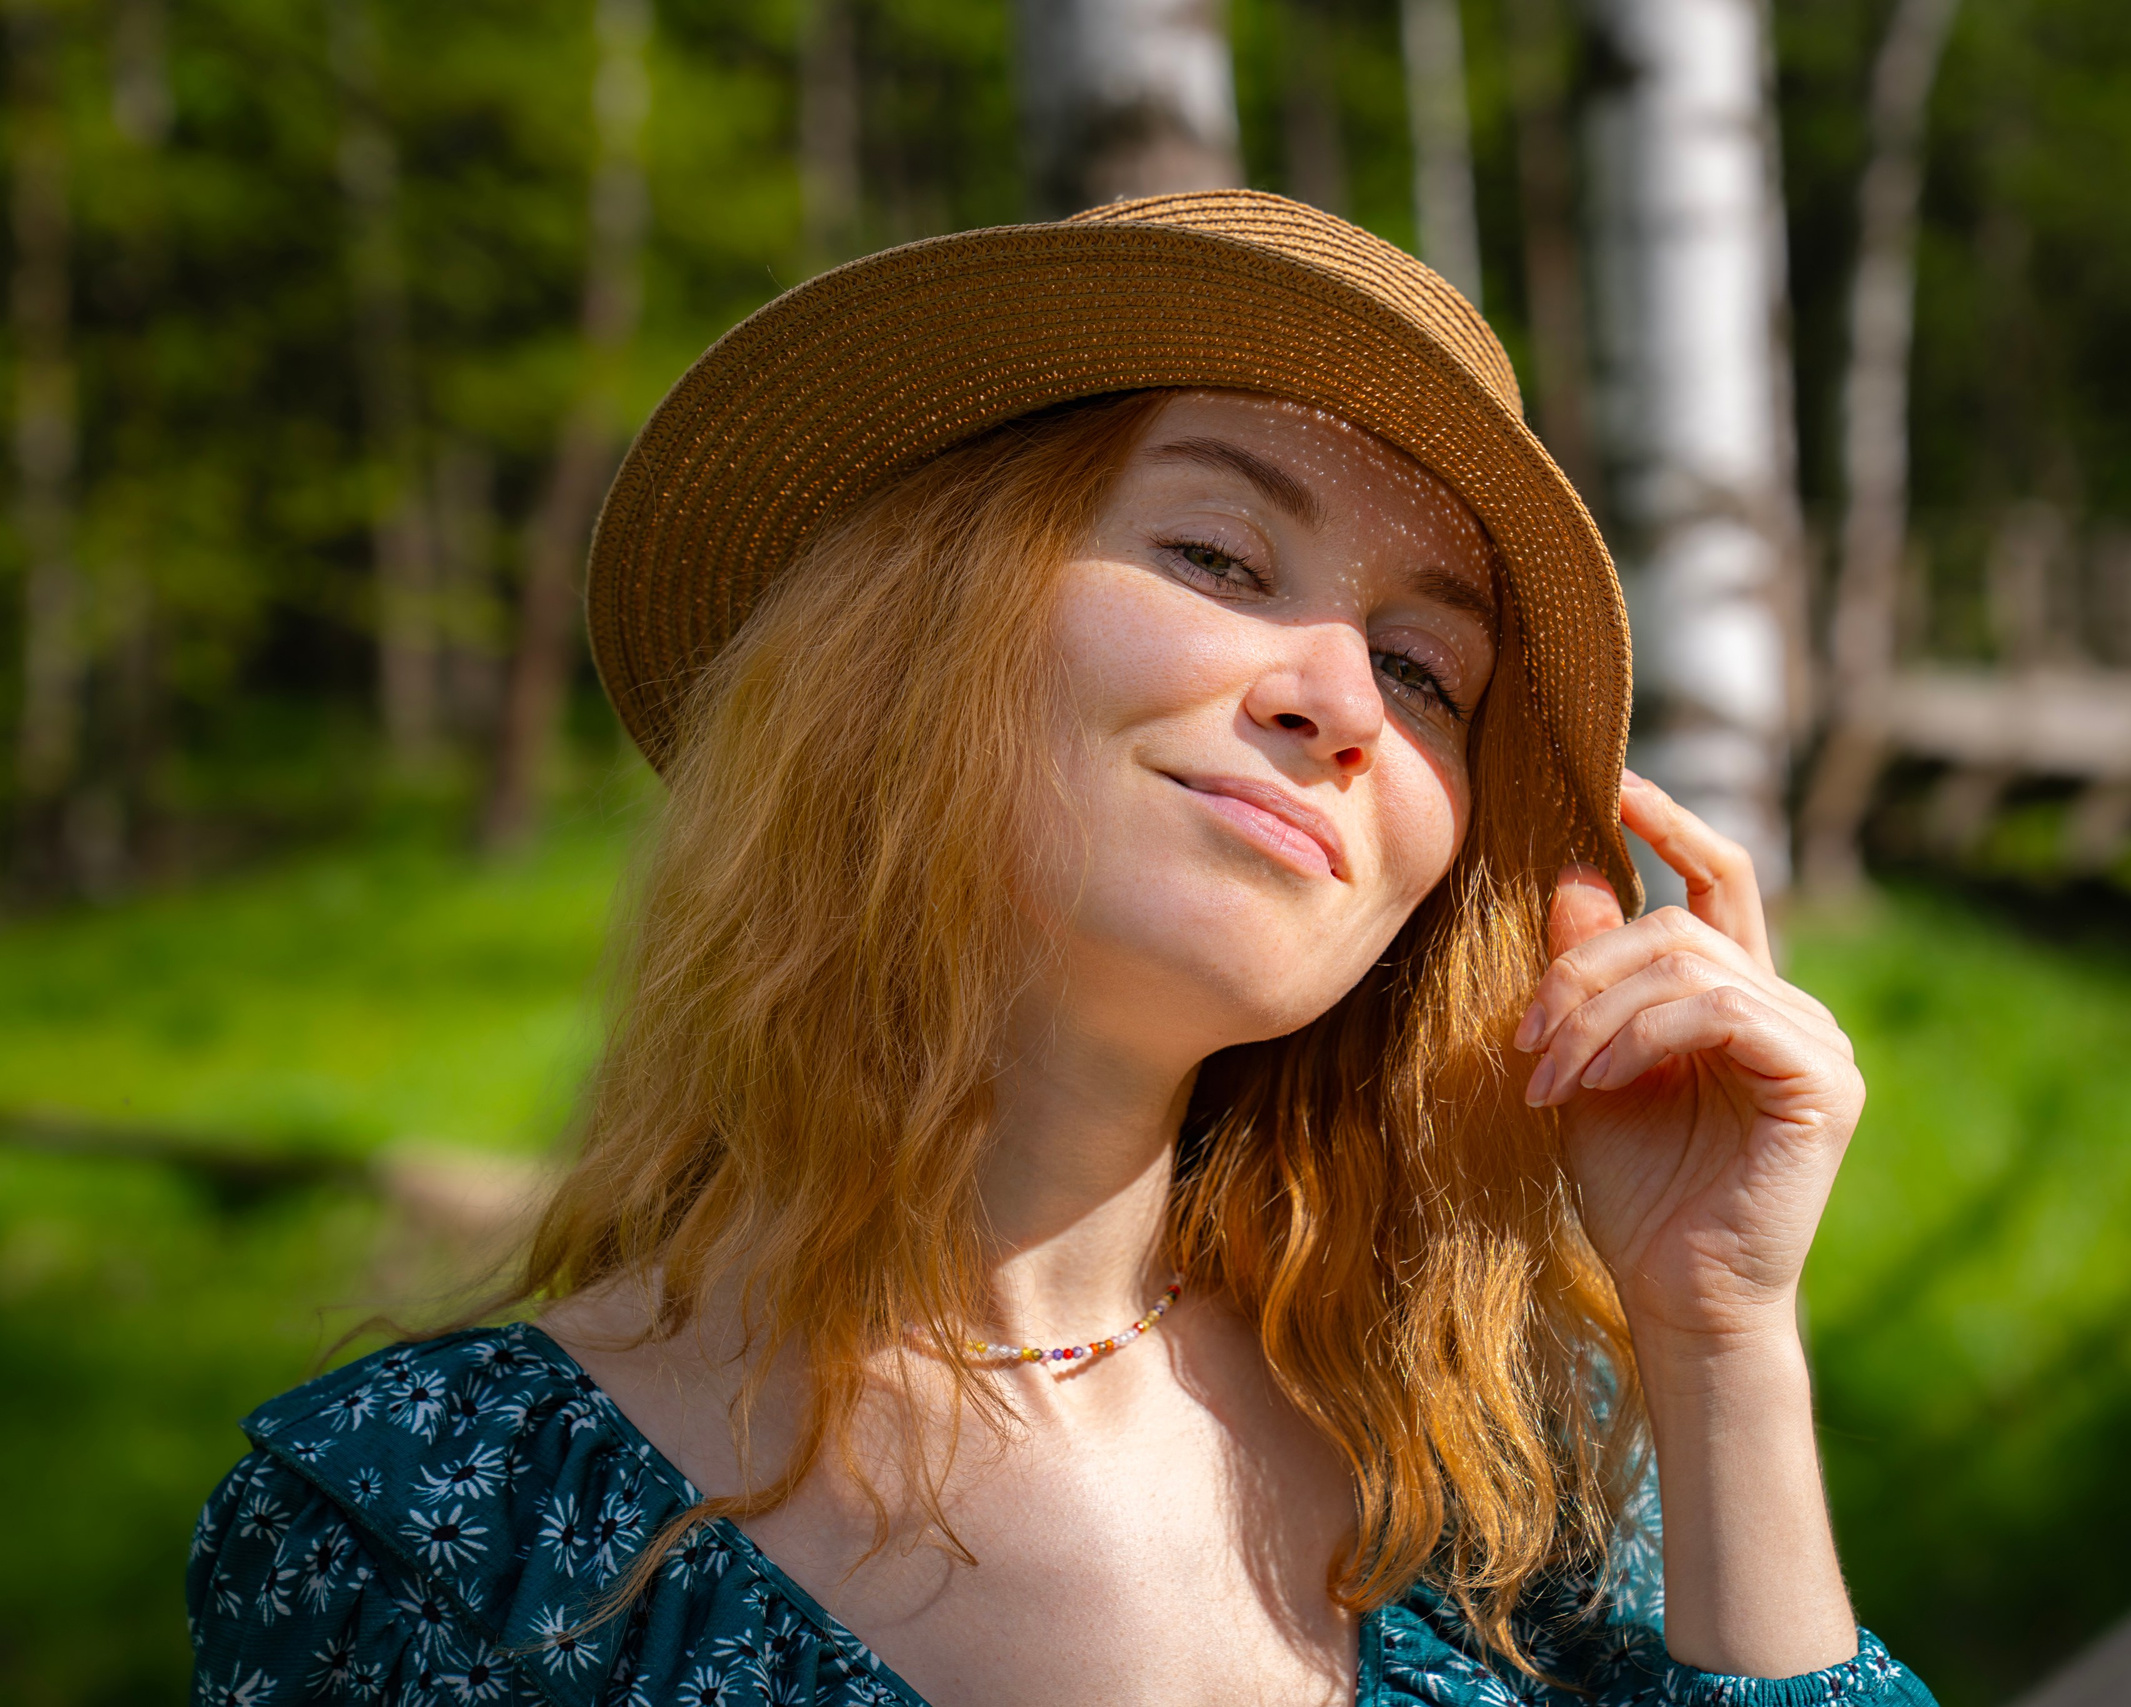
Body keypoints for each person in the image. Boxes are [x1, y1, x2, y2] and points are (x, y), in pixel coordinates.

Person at [189, 191, 1934, 1707]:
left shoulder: (1499, 1481)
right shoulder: (423, 1532)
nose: (1338, 700)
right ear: (910, 636)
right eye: (1216, 552)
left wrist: (1719, 1347)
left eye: (1424, 674)